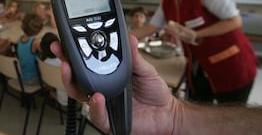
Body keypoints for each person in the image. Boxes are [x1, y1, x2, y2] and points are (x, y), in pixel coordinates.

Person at [52, 35, 262, 135]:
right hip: (201, 69)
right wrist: (173, 116)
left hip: (235, 65)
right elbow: (147, 29)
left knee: (230, 100)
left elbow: (233, 20)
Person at [131, 0, 257, 104]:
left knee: (231, 115)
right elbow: (150, 28)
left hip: (232, 64)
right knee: (200, 110)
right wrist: (119, 37)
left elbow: (235, 21)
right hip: (200, 67)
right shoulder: (169, 0)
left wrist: (197, 35)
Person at [40, 32, 68, 106]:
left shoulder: (45, 63)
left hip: (60, 97)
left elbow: (48, 85)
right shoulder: (65, 61)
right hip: (74, 98)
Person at [17, 13, 43, 85]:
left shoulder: (20, 38)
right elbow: (44, 52)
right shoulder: (35, 43)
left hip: (22, 76)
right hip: (33, 79)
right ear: (39, 29)